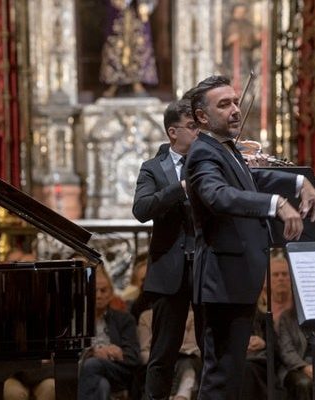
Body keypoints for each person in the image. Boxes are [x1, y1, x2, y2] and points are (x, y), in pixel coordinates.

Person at [184, 75, 315, 400]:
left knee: (230, 378)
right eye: (224, 104)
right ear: (202, 117)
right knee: (220, 380)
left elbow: (252, 177)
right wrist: (276, 204)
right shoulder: (203, 154)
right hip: (221, 284)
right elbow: (219, 195)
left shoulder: (224, 149)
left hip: (235, 282)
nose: (235, 110)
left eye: (235, 102)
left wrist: (298, 184)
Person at [132, 98, 201, 400]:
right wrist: (181, 187)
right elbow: (142, 208)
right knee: (163, 354)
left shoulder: (209, 161)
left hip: (205, 266)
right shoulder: (152, 168)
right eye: (191, 127)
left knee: (210, 348)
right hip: (169, 270)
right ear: (173, 132)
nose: (198, 133)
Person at [78, 267, 140, 399]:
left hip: (116, 370)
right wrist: (92, 352)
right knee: (102, 385)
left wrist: (116, 352)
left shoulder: (125, 319)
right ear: (86, 293)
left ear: (111, 293)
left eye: (103, 290)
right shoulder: (77, 320)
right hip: (85, 370)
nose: (99, 295)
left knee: (92, 364)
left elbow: (133, 357)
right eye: (94, 290)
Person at [138, 308, 201, 400]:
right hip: (155, 362)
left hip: (183, 361)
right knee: (159, 366)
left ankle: (181, 397)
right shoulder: (147, 316)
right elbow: (143, 352)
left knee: (187, 363)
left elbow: (192, 349)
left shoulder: (192, 316)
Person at [100, 0, 158, 97]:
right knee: (115, 48)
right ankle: (114, 83)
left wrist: (147, 6)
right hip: (117, 17)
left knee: (139, 47)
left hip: (137, 16)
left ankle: (137, 82)